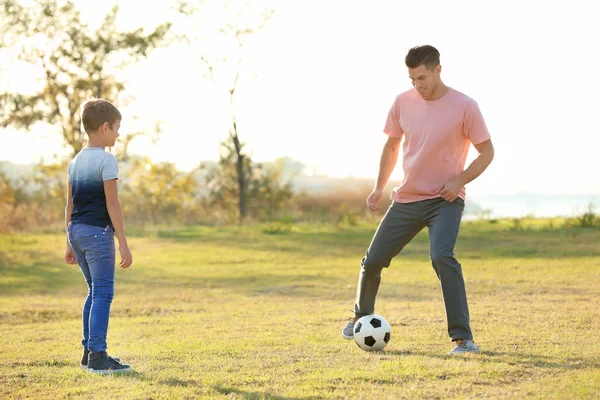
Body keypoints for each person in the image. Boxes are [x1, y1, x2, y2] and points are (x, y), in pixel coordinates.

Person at [341, 45, 495, 355]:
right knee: (373, 260)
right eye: (412, 79)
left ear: (438, 70)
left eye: (422, 77)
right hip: (407, 200)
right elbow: (392, 146)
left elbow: (487, 152)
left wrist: (459, 180)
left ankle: (463, 339)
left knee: (442, 256)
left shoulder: (465, 106)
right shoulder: (402, 102)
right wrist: (378, 187)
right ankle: (361, 317)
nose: (417, 85)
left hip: (444, 200)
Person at [63, 98, 133, 372]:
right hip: (96, 234)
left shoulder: (75, 162)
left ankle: (88, 351)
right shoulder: (106, 160)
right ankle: (98, 355)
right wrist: (123, 244)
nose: (118, 133)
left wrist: (68, 243)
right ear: (104, 127)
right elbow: (112, 204)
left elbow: (70, 205)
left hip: (76, 232)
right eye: (117, 128)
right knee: (103, 293)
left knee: (93, 291)